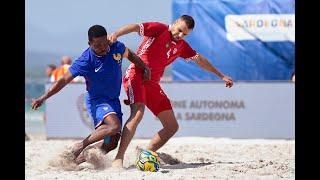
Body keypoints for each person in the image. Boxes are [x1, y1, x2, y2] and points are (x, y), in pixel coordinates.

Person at [108, 15, 234, 168]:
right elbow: (135, 27)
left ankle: (145, 154)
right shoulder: (159, 29)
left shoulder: (182, 45)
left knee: (172, 127)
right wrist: (115, 34)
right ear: (175, 23)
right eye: (180, 30)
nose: (180, 35)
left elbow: (200, 60)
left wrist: (220, 75)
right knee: (138, 113)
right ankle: (118, 159)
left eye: (185, 34)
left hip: (153, 84)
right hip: (137, 75)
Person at [31, 25, 150, 165]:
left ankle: (73, 162)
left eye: (104, 43)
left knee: (111, 144)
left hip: (113, 100)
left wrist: (144, 67)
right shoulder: (85, 60)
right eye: (97, 45)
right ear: (90, 44)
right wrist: (43, 98)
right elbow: (63, 80)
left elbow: (131, 55)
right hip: (97, 101)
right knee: (114, 126)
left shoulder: (116, 47)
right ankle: (80, 146)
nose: (103, 48)